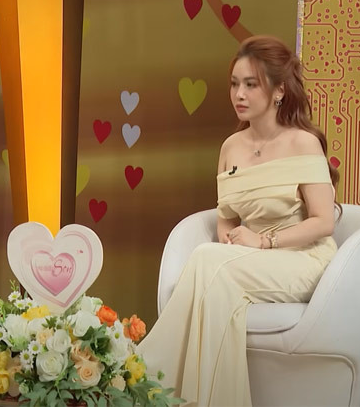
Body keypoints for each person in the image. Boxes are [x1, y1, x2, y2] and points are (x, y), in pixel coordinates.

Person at [137, 35, 340, 406]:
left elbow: (324, 221)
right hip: (248, 260)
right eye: (234, 84)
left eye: (251, 84)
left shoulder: (303, 143)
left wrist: (263, 242)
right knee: (210, 264)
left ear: (279, 91)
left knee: (206, 259)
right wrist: (231, 244)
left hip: (302, 258)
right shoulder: (231, 147)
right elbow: (226, 219)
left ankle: (144, 376)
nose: (239, 95)